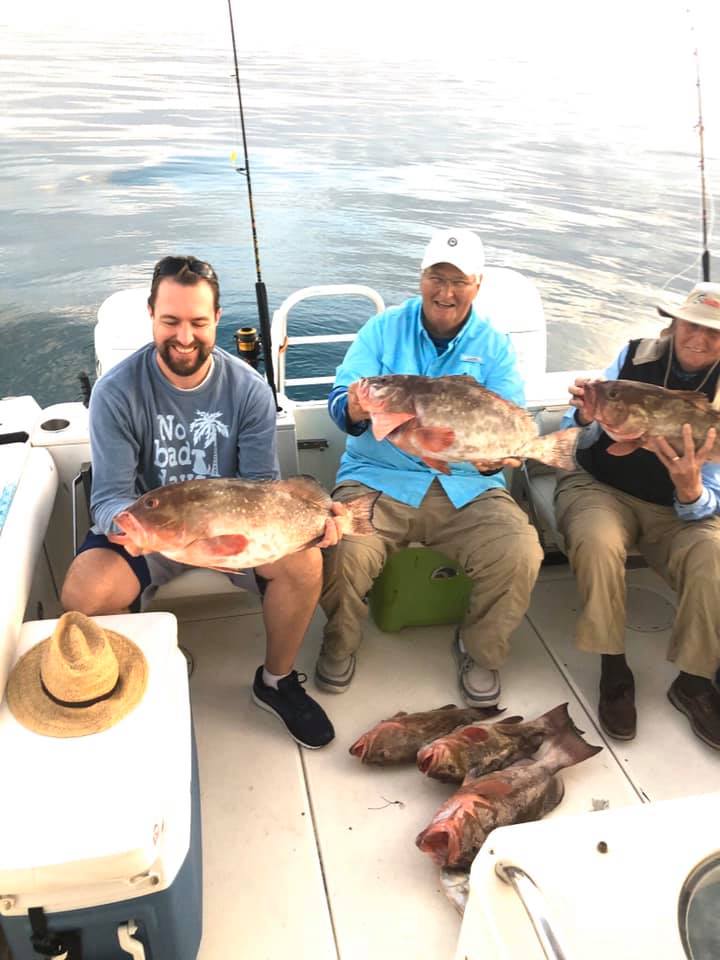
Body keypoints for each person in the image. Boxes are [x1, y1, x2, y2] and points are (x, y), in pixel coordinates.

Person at [61, 255, 340, 750]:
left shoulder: (249, 389)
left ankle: (275, 682)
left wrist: (307, 525)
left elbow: (261, 486)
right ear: (151, 315)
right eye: (170, 321)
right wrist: (125, 527)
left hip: (233, 534)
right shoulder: (116, 393)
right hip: (152, 531)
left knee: (305, 563)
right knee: (83, 593)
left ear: (216, 320)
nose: (184, 336)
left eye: (197, 322)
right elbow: (109, 496)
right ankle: (139, 672)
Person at [317, 228, 544, 704]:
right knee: (341, 548)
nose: (446, 291)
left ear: (477, 286)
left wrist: (492, 461)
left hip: (467, 486)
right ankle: (340, 644)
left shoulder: (494, 345)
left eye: (458, 281)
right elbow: (341, 401)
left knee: (521, 549)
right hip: (377, 477)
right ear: (421, 279)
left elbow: (510, 423)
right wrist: (357, 408)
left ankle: (480, 650)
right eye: (436, 277)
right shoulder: (381, 330)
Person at [555, 281, 720, 748]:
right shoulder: (632, 357)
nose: (699, 339)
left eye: (714, 332)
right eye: (692, 325)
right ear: (674, 322)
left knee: (712, 553)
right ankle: (613, 668)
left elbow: (711, 503)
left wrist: (690, 492)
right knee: (597, 540)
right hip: (599, 486)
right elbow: (574, 433)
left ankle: (693, 679)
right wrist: (587, 419)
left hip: (678, 507)